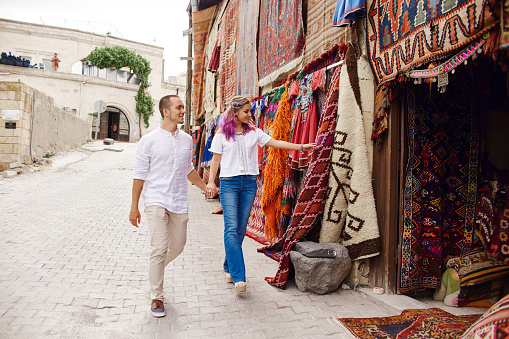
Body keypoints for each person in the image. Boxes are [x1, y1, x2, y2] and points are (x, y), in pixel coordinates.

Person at [206, 96, 315, 293]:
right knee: (231, 228)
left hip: (249, 184)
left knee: (240, 229)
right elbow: (215, 160)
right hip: (229, 184)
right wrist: (211, 181)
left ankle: (227, 265)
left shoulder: (255, 132)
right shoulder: (221, 133)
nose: (250, 114)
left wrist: (300, 147)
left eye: (250, 111)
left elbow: (275, 142)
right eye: (246, 111)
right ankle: (239, 276)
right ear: (236, 112)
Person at [129, 95, 218, 317]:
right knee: (159, 247)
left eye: (183, 107)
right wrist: (134, 207)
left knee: (178, 246)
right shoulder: (148, 141)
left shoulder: (187, 139)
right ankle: (156, 297)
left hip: (178, 200)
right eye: (178, 107)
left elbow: (187, 169)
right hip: (155, 199)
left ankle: (154, 269)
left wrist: (204, 186)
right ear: (165, 111)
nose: (182, 111)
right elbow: (139, 176)